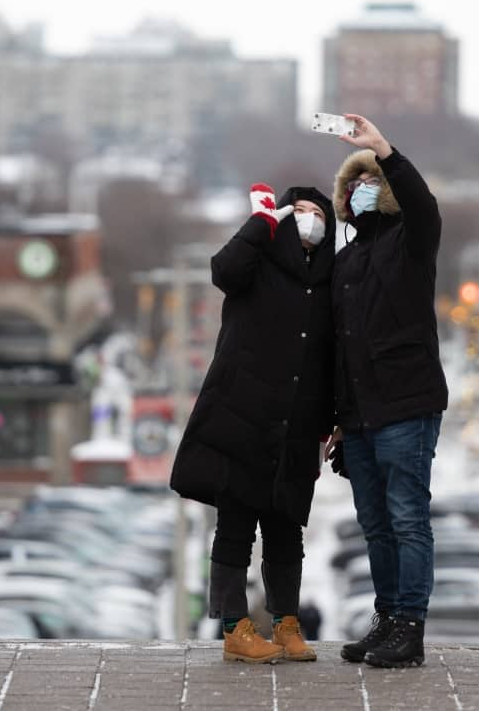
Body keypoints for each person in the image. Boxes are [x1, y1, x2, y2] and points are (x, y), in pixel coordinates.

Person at [170, 181, 336, 664]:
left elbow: (332, 356)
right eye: (299, 210)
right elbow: (223, 270)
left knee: (287, 531)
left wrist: (331, 419)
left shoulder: (329, 278)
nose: (309, 219)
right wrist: (263, 221)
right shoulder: (259, 259)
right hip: (244, 415)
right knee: (236, 524)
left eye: (317, 212)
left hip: (298, 424)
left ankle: (286, 623)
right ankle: (234, 628)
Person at [325, 114, 448, 669]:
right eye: (353, 184)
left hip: (406, 405)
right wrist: (335, 419)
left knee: (406, 518)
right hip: (359, 414)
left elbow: (425, 208)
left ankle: (409, 627)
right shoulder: (345, 261)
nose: (361, 189)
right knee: (375, 526)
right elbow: (337, 346)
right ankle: (386, 617)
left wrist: (385, 151)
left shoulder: (410, 242)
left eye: (371, 180)